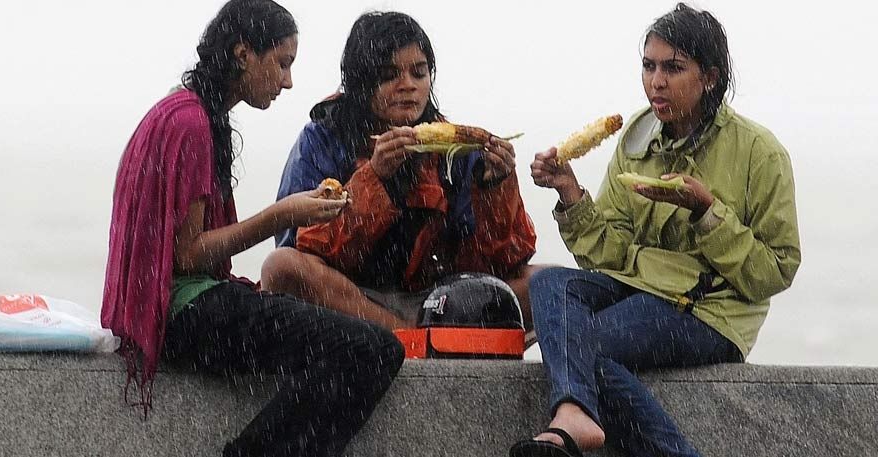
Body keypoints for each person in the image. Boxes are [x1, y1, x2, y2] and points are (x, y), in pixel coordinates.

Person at [100, 2, 404, 456]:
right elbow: (188, 257)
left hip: (177, 306)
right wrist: (282, 215)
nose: (287, 81)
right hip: (182, 313)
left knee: (352, 345)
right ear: (243, 53)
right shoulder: (189, 121)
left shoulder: (188, 110)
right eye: (282, 63)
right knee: (371, 349)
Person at [510, 3, 801, 457]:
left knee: (586, 348)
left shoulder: (759, 152)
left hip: (711, 313)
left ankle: (594, 425)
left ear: (710, 77)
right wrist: (570, 194)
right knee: (550, 283)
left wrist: (706, 212)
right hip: (640, 289)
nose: (656, 82)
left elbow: (774, 272)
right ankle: (574, 413)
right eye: (649, 66)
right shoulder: (637, 138)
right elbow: (609, 256)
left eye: (673, 68)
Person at [263, 11, 538, 333]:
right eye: (390, 74)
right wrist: (373, 178)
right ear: (361, 81)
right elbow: (299, 245)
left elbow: (494, 265)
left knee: (544, 284)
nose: (407, 86)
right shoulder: (322, 137)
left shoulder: (457, 151)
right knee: (281, 267)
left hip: (439, 303)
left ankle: (420, 337)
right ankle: (408, 338)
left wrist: (495, 188)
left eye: (419, 73)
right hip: (353, 300)